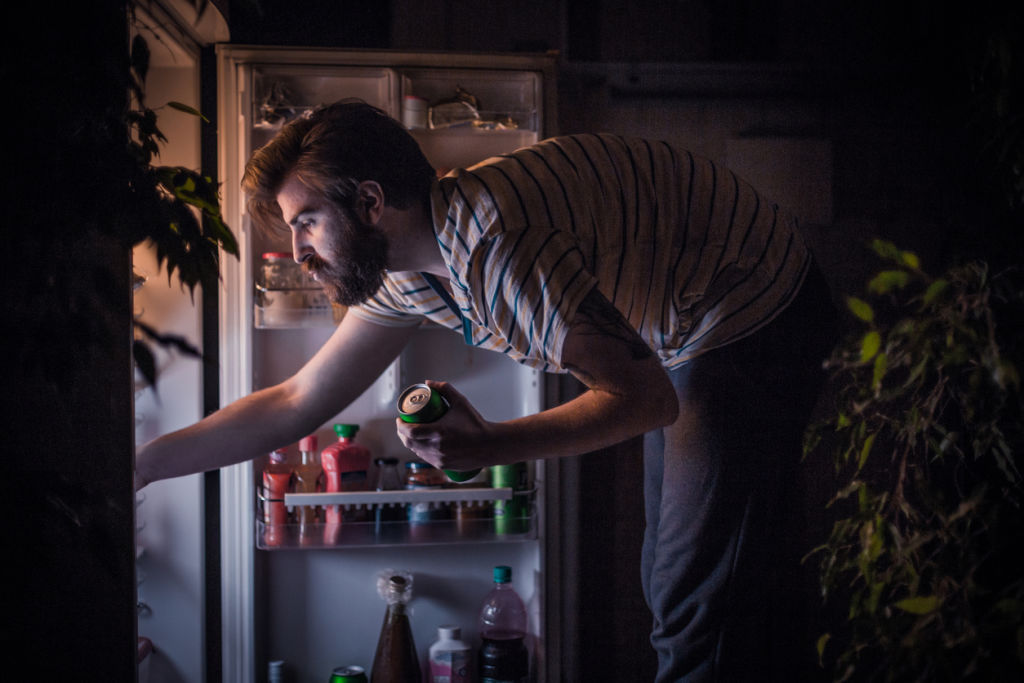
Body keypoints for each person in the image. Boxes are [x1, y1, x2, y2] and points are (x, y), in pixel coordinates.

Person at [135, 101, 837, 681]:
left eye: (306, 222)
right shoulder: (408, 267)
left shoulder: (496, 245)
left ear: (371, 203)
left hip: (753, 311)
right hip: (680, 335)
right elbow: (296, 400)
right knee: (682, 584)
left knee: (694, 606)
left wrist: (489, 442)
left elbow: (645, 400)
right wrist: (139, 463)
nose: (299, 252)